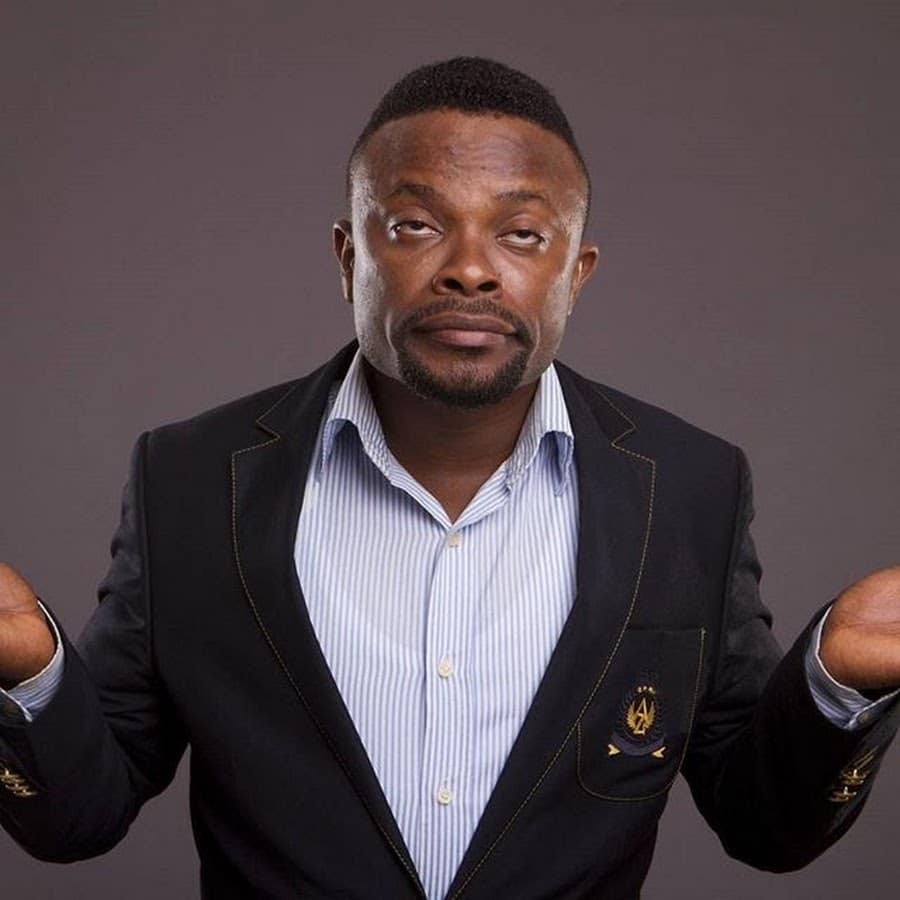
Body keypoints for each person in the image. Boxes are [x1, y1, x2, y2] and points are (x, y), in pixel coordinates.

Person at [0, 57, 898, 900]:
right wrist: (28, 670)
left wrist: (839, 679)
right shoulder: (189, 479)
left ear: (574, 275)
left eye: (522, 234)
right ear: (349, 257)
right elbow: (81, 813)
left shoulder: (692, 486)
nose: (470, 268)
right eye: (417, 226)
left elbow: (764, 822)